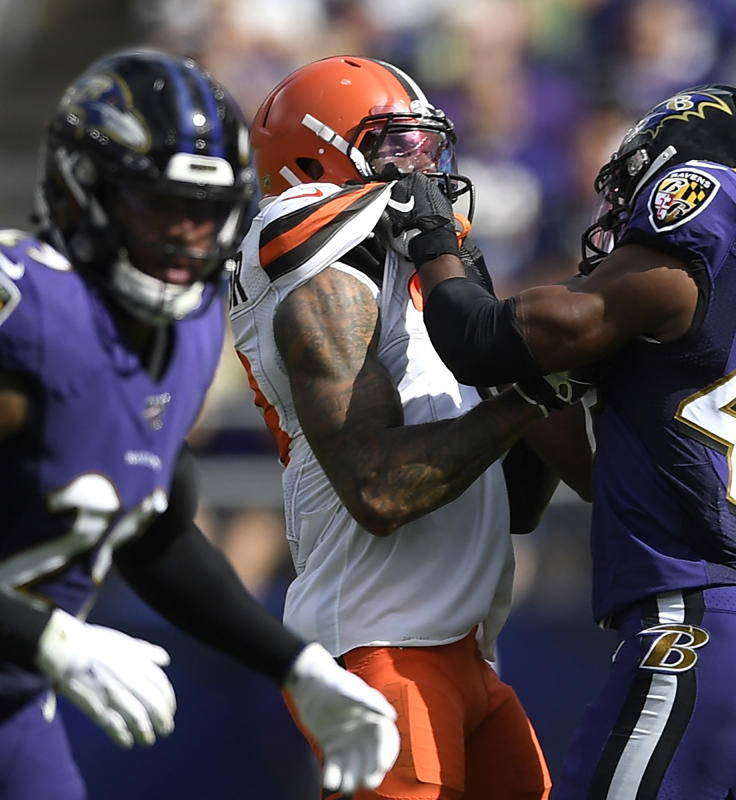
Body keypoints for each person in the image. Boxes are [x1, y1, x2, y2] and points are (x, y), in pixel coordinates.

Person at [0, 48, 398, 800]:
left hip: (15, 707)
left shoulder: (193, 327)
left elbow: (152, 531)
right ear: (83, 192)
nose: (185, 237)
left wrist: (295, 664)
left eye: (205, 214)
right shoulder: (22, 309)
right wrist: (53, 638)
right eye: (158, 206)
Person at [399, 85, 736, 798]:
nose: (620, 210)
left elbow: (481, 342)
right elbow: (607, 470)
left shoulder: (714, 210)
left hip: (698, 629)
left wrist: (436, 244)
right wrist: (529, 390)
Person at [229, 55, 567, 799]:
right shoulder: (311, 267)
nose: (422, 170)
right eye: (394, 148)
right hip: (379, 644)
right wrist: (531, 398)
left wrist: (551, 378)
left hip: (466, 649)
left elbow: (519, 502)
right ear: (319, 156)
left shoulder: (414, 283)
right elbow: (381, 491)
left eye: (426, 147)